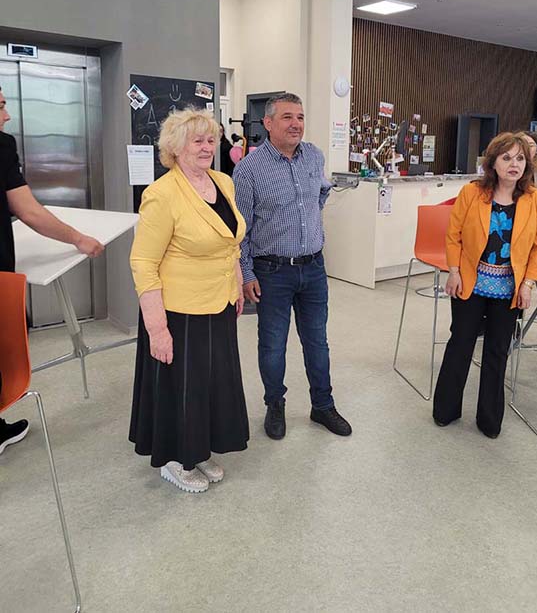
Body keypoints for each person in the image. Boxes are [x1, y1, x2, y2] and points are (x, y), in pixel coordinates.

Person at [129, 108, 249, 494]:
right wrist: (156, 328)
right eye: (197, 140)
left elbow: (230, 243)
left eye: (211, 139)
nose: (207, 147)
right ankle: (176, 459)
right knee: (183, 387)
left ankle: (199, 448)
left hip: (219, 303)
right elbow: (143, 262)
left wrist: (236, 284)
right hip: (178, 312)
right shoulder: (161, 194)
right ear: (176, 148)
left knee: (211, 383)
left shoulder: (222, 182)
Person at [233, 92, 351, 440]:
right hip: (272, 272)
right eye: (287, 117)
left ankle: (322, 405)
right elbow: (241, 229)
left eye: (299, 117)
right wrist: (246, 273)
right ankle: (275, 405)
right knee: (273, 345)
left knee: (317, 341)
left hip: (313, 268)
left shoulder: (313, 156)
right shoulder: (248, 170)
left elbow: (320, 194)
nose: (296, 124)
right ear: (268, 123)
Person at [0, 88, 104, 454]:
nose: (7, 115)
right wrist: (78, 238)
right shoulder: (2, 145)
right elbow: (28, 210)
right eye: (1, 106)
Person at [433, 131, 537, 439]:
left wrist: (528, 284)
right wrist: (454, 271)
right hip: (470, 280)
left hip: (509, 287)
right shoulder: (472, 192)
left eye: (520, 158)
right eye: (506, 157)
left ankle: (489, 419)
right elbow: (453, 235)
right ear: (493, 162)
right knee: (461, 344)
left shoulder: (536, 199)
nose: (514, 164)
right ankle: (445, 410)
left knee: (497, 351)